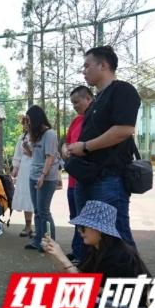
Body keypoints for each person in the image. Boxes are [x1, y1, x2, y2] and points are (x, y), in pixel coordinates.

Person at [66, 45, 141, 247]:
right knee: (90, 235)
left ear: (103, 65)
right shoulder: (97, 100)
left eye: (87, 65)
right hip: (87, 177)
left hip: (109, 178)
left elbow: (124, 129)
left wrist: (86, 146)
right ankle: (95, 274)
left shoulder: (123, 91)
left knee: (116, 234)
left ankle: (132, 277)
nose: (84, 70)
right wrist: (74, 148)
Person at [61, 86, 94, 263]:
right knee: (75, 218)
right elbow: (65, 142)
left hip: (86, 178)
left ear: (88, 98)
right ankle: (77, 250)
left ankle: (85, 256)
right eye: (72, 102)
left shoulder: (95, 119)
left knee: (85, 220)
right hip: (73, 180)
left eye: (77, 102)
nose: (74, 106)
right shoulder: (76, 121)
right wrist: (65, 149)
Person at [24, 105, 59, 252]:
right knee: (37, 211)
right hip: (34, 176)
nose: (28, 123)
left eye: (29, 119)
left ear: (36, 119)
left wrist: (43, 176)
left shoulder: (50, 134)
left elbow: (50, 157)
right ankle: (38, 240)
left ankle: (50, 243)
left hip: (46, 178)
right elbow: (35, 156)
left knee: (44, 211)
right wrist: (27, 149)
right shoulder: (36, 134)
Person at [11, 113, 34, 237]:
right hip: (24, 169)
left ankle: (42, 227)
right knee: (26, 196)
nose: (26, 125)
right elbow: (18, 153)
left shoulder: (40, 136)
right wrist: (15, 168)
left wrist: (30, 152)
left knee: (36, 197)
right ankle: (28, 226)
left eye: (28, 122)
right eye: (24, 123)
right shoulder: (22, 137)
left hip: (36, 168)